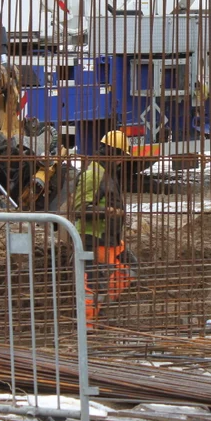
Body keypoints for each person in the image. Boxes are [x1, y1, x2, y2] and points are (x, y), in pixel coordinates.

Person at [71, 130, 139, 327]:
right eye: (120, 157)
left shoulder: (108, 174)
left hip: (111, 238)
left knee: (131, 268)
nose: (121, 162)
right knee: (93, 287)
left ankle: (105, 306)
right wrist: (108, 211)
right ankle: (87, 328)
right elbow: (80, 209)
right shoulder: (93, 174)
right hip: (95, 238)